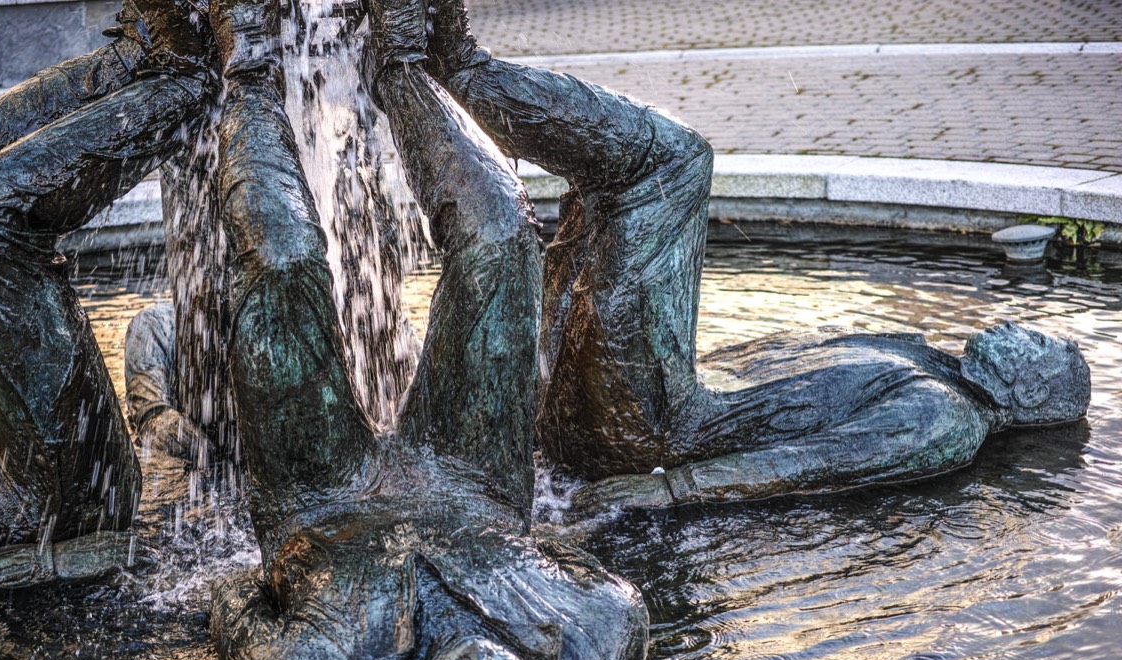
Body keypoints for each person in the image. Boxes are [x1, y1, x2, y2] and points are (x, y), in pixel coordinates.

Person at [197, 0, 648, 660]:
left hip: (317, 499)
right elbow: (581, 565)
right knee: (503, 239)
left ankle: (249, 70)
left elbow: (234, 602)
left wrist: (287, 558)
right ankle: (399, 60)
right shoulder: (602, 643)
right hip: (470, 478)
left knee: (283, 266)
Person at [413, 0, 1091, 517]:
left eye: (1038, 343)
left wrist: (666, 491)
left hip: (651, 434)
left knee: (671, 164)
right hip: (618, 416)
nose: (1016, 327)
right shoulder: (922, 361)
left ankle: (453, 63)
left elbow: (811, 464)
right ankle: (427, 66)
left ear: (1033, 392)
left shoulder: (945, 417)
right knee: (602, 186)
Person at [0, 0, 214, 598]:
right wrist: (57, 563)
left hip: (3, 454)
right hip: (53, 502)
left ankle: (133, 58)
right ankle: (188, 86)